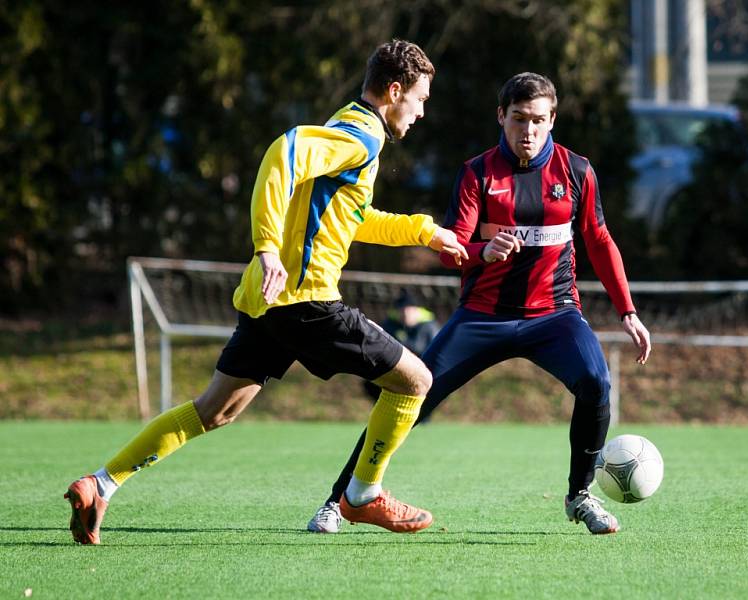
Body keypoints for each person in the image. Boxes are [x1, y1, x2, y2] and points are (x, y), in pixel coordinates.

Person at [63, 39, 468, 545]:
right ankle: (362, 495)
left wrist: (423, 231)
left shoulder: (347, 123)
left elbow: (352, 218)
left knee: (216, 409)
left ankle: (100, 484)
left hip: (269, 301)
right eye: (421, 98)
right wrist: (267, 248)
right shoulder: (362, 136)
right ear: (394, 90)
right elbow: (285, 152)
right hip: (308, 301)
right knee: (414, 381)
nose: (423, 111)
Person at [307, 72, 651, 535]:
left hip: (554, 316)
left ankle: (580, 495)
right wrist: (479, 253)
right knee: (413, 392)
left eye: (537, 121)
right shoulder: (478, 173)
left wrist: (627, 311)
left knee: (596, 381)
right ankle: (338, 499)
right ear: (500, 117)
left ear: (553, 120)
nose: (527, 130)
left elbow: (599, 239)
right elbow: (455, 246)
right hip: (482, 317)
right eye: (518, 119)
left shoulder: (577, 172)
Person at [362, 289, 441, 402]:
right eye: (402, 309)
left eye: (409, 310)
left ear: (417, 310)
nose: (405, 313)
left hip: (424, 371)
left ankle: (423, 417)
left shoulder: (430, 327)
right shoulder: (389, 325)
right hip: (395, 371)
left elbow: (436, 354)